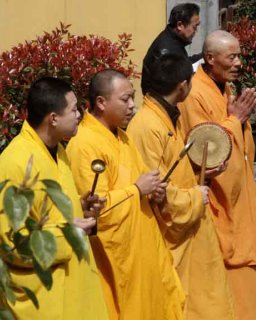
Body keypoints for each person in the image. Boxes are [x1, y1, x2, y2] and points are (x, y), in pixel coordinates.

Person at [66, 69, 184, 320]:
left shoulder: (122, 137)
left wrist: (155, 190)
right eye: (125, 99)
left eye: (133, 98)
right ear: (101, 102)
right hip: (114, 257)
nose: (132, 106)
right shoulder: (84, 144)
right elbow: (95, 211)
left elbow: (143, 179)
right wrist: (137, 191)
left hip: (141, 245)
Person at [0, 77, 109, 319]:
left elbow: (47, 213)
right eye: (74, 109)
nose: (80, 115)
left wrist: (78, 206)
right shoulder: (16, 163)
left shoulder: (58, 150)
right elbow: (8, 243)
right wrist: (66, 233)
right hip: (45, 301)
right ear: (53, 118)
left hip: (74, 288)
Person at [127, 54, 235, 320]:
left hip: (192, 230)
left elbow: (172, 170)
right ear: (183, 86)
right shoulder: (146, 126)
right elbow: (156, 189)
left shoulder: (165, 116)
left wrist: (200, 173)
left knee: (207, 302)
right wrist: (194, 198)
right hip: (175, 232)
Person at [178, 30, 256, 320]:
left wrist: (236, 120)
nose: (238, 63)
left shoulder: (222, 87)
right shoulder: (195, 95)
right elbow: (205, 152)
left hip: (240, 203)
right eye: (231, 57)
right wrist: (236, 120)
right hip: (220, 205)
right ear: (210, 58)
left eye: (239, 56)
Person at [141, 2, 202, 95]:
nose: (196, 31)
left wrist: (205, 56)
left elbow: (184, 62)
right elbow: (170, 83)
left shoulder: (173, 41)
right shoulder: (167, 51)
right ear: (180, 25)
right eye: (194, 27)